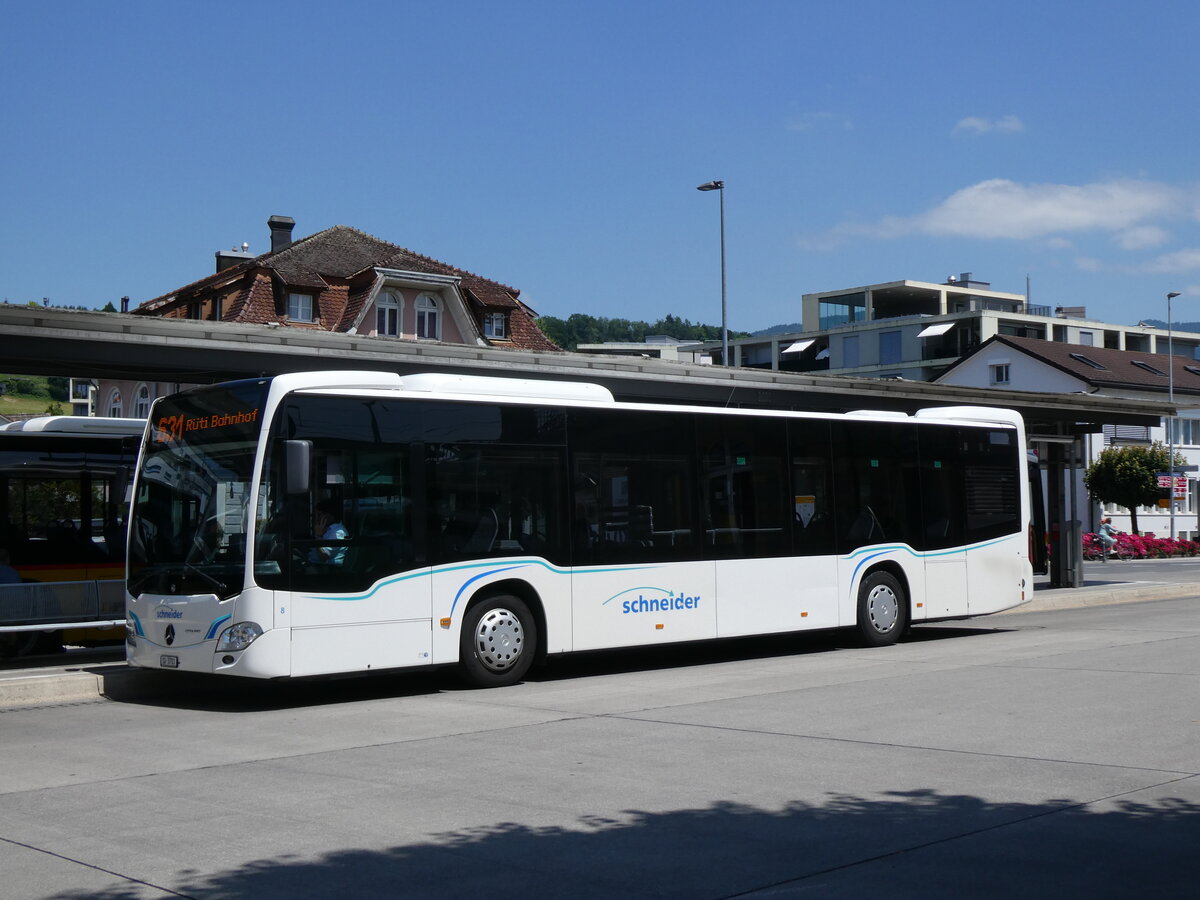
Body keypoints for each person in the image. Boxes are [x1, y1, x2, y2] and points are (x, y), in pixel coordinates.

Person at [310, 500, 349, 565]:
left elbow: (324, 556)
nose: (316, 518)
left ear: (328, 516)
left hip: (324, 568)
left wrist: (318, 537)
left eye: (319, 515)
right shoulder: (327, 529)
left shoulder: (338, 532)